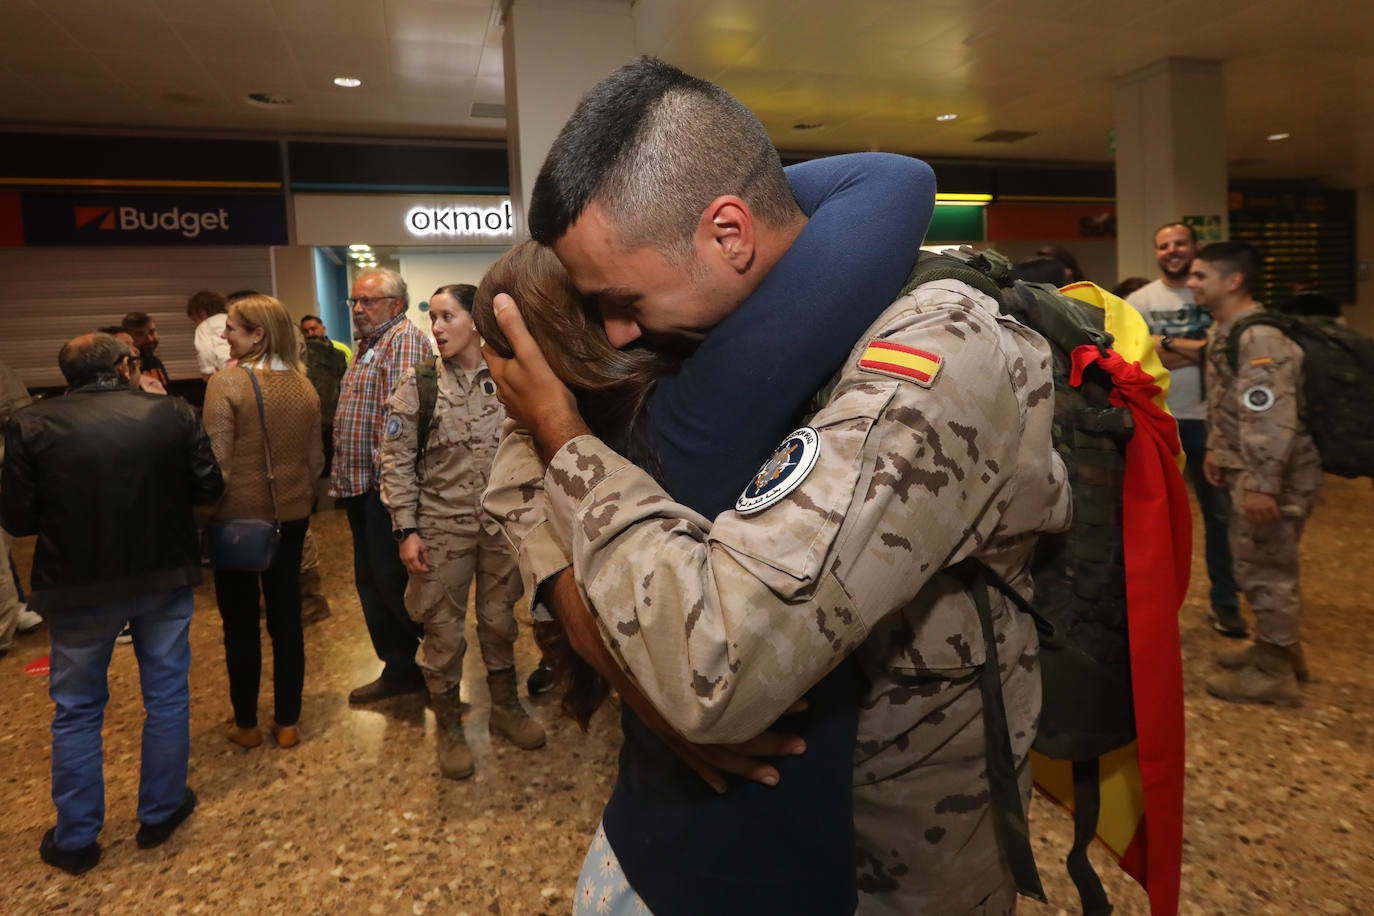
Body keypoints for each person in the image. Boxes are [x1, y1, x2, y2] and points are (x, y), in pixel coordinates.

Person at [482, 58, 1067, 915]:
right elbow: (526, 482)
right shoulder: (715, 318)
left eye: (624, 298)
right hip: (755, 850)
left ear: (728, 234)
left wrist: (566, 440)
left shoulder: (935, 357)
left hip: (901, 870)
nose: (617, 329)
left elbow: (709, 668)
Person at [1, 333, 222, 875]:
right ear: (125, 365)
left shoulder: (30, 424)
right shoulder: (172, 413)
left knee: (76, 709)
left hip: (75, 584)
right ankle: (161, 812)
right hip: (163, 572)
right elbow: (208, 486)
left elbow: (18, 519)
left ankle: (76, 838)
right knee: (167, 695)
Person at [377, 283, 545, 779]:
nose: (437, 327)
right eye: (433, 318)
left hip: (500, 529)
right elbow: (396, 462)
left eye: (447, 316)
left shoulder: (509, 379)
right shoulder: (420, 384)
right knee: (442, 632)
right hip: (440, 530)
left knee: (499, 623)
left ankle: (505, 710)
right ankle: (449, 725)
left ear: (475, 321)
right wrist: (405, 529)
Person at [1192, 242, 1322, 707]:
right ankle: (1278, 647)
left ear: (1233, 281)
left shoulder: (1260, 337)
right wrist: (1217, 449)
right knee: (1258, 563)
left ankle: (1275, 673)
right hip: (1246, 464)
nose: (1192, 283)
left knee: (1268, 568)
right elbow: (1232, 401)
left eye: (1200, 275)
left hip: (1273, 472)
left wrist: (1264, 485)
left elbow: (1269, 416)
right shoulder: (1230, 329)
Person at [202, 295, 324, 748]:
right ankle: (288, 723)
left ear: (257, 335)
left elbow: (218, 467)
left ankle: (248, 724)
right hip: (289, 520)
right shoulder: (304, 385)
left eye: (232, 327)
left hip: (237, 525)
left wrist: (199, 520)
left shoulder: (226, 384)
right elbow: (315, 461)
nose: (223, 334)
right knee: (287, 621)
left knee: (239, 625)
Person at [1126, 222, 1244, 636]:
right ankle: (1152, 608)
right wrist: (1197, 350)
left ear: (1195, 247)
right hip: (1160, 420)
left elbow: (1226, 351)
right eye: (1164, 246)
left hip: (1211, 419)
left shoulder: (1214, 292)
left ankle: (1226, 602)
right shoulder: (1139, 300)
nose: (1172, 251)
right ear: (1156, 253)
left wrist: (1167, 344)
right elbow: (1137, 354)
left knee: (1220, 516)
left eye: (1179, 244)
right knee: (1156, 519)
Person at [331, 268, 433, 703]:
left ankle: (429, 670)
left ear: (395, 304)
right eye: (354, 301)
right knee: (372, 582)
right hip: (360, 486)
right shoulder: (369, 345)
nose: (357, 309)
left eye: (366, 301)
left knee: (393, 584)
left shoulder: (404, 341)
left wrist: (391, 495)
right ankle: (398, 667)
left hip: (384, 491)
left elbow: (401, 427)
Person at [186, 290, 231, 378]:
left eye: (195, 321)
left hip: (224, 366)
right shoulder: (230, 318)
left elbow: (204, 349)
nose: (197, 324)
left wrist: (207, 371)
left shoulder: (204, 326)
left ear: (202, 313)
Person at [121, 312, 170, 388]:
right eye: (140, 334)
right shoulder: (125, 367)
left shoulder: (155, 361)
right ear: (128, 337)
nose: (149, 339)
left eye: (152, 332)